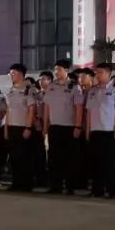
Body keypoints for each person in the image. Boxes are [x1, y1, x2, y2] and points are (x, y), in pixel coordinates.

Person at [43, 60, 84, 195]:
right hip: (54, 127)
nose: (56, 72)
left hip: (69, 128)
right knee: (54, 158)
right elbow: (47, 107)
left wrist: (77, 126)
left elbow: (79, 108)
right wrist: (45, 126)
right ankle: (55, 186)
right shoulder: (51, 86)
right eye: (55, 69)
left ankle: (70, 186)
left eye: (59, 69)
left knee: (70, 158)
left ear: (66, 70)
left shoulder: (74, 86)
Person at [85, 63, 115, 199]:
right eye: (97, 72)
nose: (98, 75)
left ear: (109, 74)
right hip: (95, 130)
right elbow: (89, 112)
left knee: (109, 163)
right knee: (96, 162)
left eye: (101, 72)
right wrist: (88, 130)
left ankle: (112, 190)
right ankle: (97, 190)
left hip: (109, 131)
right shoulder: (93, 90)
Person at [5, 64, 37, 192]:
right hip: (12, 127)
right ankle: (16, 182)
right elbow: (8, 111)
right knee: (14, 157)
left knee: (24, 157)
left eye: (13, 73)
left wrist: (28, 128)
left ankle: (26, 183)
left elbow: (32, 110)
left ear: (20, 74)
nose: (11, 75)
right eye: (11, 73)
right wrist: (6, 129)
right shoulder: (10, 90)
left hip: (23, 127)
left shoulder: (29, 90)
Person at [76, 68, 96, 191]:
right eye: (79, 77)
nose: (81, 79)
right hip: (80, 128)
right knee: (80, 156)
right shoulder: (79, 92)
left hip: (93, 129)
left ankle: (92, 181)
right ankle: (81, 181)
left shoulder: (95, 92)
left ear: (91, 77)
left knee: (92, 157)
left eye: (83, 77)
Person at [29, 75, 49, 188]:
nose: (41, 81)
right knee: (39, 154)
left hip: (51, 125)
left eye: (44, 79)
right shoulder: (37, 95)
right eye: (40, 79)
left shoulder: (52, 94)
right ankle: (40, 178)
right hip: (38, 125)